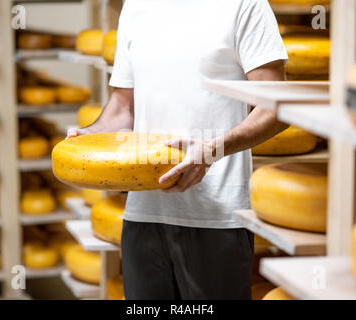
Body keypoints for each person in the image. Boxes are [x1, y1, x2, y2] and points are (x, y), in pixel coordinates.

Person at [67, 0, 288, 299]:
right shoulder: (135, 7)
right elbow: (122, 107)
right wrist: (90, 134)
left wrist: (212, 151)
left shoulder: (244, 4)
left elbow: (275, 108)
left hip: (216, 215)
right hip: (143, 213)